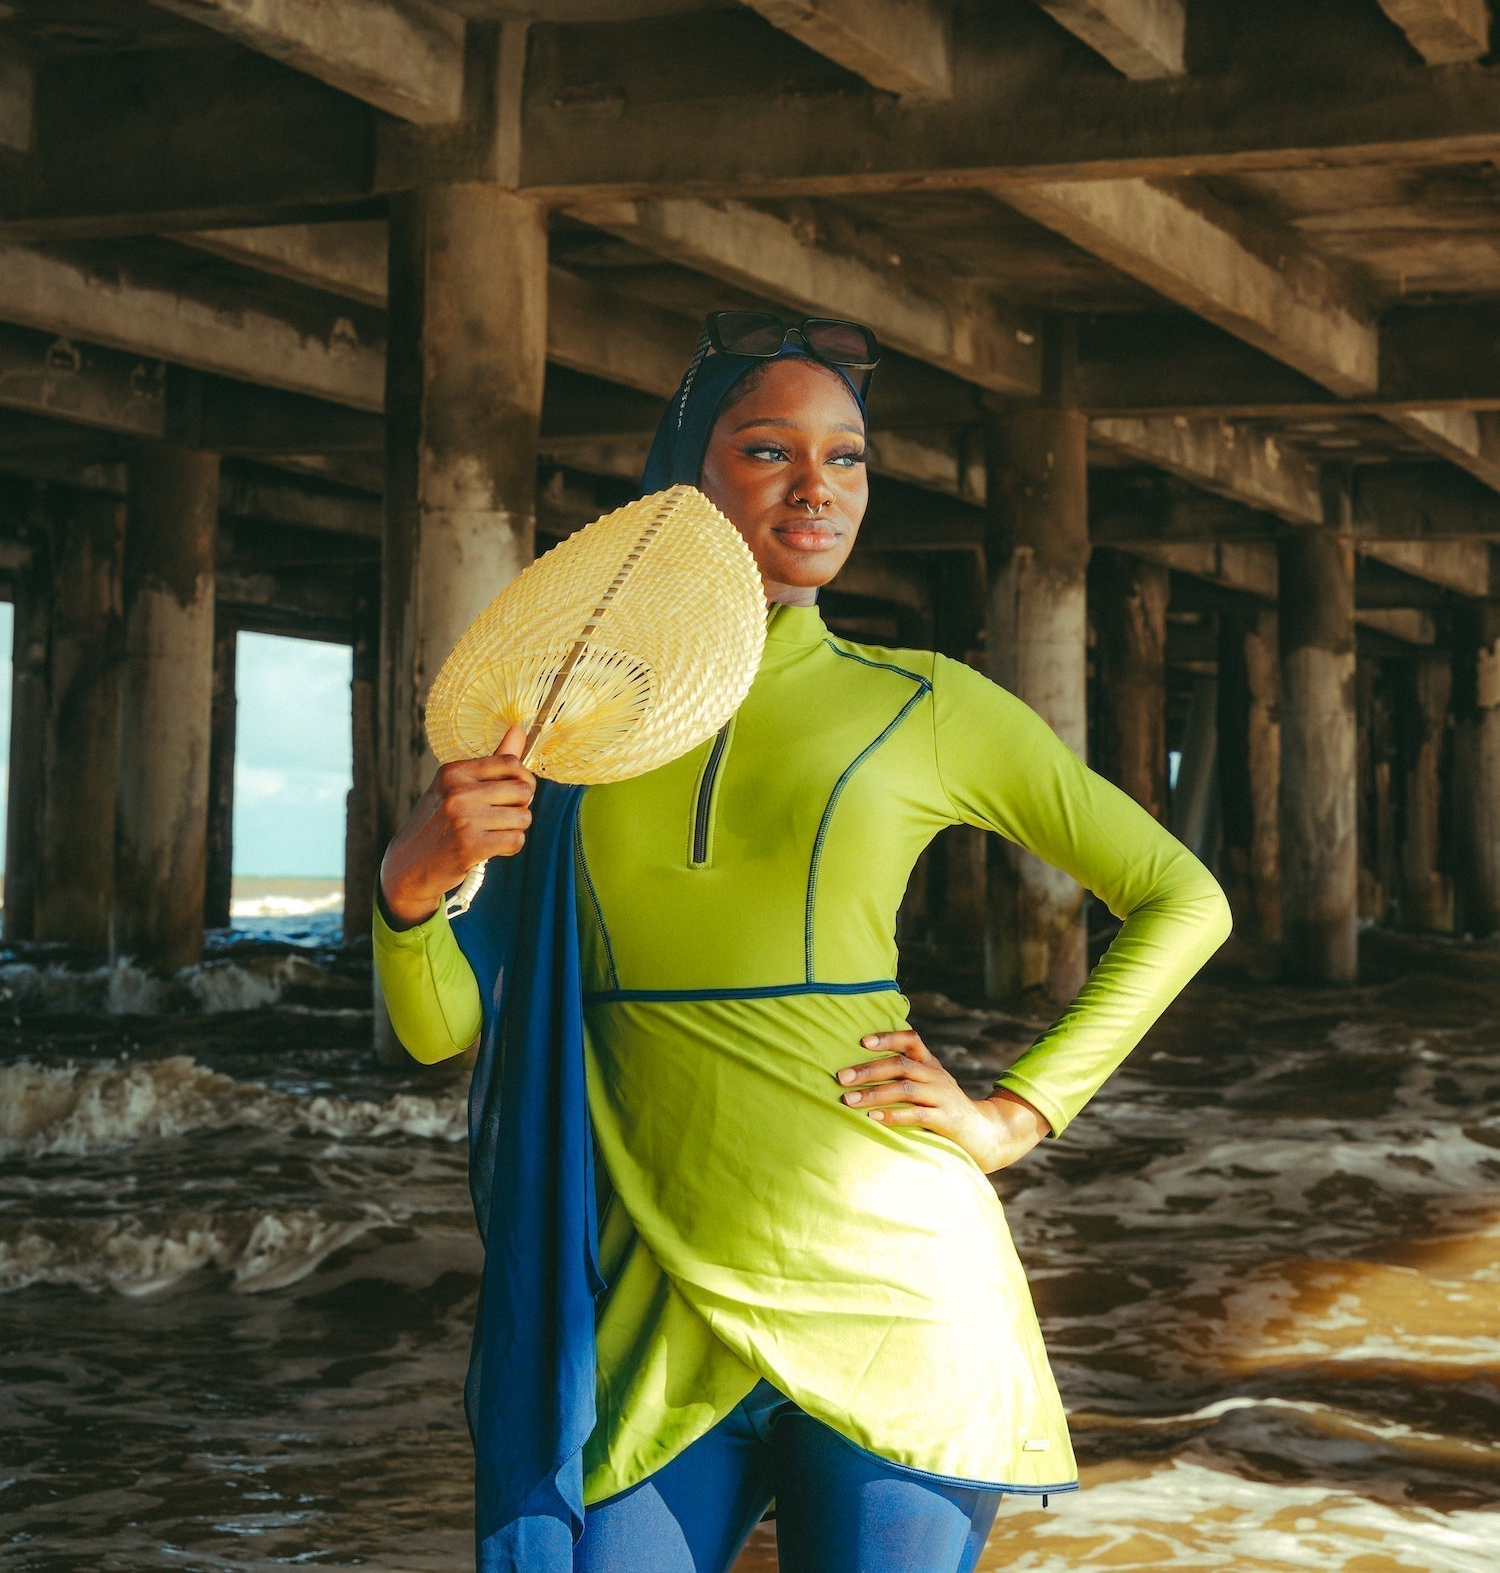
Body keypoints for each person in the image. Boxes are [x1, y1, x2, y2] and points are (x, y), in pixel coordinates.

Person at [375, 313, 1231, 1573]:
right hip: (644, 1301)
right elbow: (441, 1026)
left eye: (849, 458)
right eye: (770, 450)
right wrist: (409, 890)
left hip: (894, 1293)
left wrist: (1018, 1113)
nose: (817, 486)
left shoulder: (927, 704)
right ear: (686, 478)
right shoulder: (563, 733)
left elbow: (1182, 897)